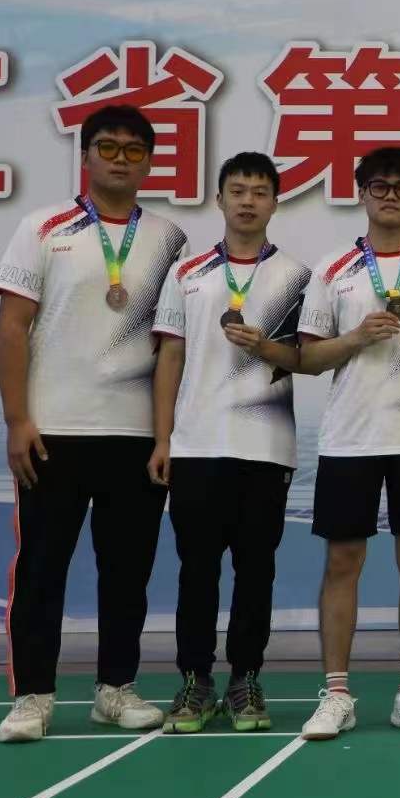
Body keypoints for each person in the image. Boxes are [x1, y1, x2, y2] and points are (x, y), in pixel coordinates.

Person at [0, 104, 188, 743]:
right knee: (42, 570)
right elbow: (12, 327)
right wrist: (17, 419)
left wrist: (166, 435)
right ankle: (32, 698)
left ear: (149, 162)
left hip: (135, 434)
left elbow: (173, 345)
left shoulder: (171, 240)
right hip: (53, 431)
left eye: (134, 150)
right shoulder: (42, 227)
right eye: (108, 147)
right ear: (86, 156)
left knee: (127, 572)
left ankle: (115, 688)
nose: (120, 159)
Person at [296, 148, 400, 740]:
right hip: (350, 436)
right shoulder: (332, 268)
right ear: (361, 193)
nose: (390, 196)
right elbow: (308, 358)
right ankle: (336, 694)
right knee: (343, 562)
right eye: (379, 186)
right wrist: (355, 338)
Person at [148, 153, 310, 733]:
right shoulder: (186, 273)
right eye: (237, 190)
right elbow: (170, 356)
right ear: (219, 199)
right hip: (195, 447)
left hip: (266, 447)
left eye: (259, 192)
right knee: (196, 571)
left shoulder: (297, 276)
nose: (248, 201)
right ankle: (195, 679)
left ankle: (246, 678)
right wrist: (162, 439)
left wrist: (267, 347)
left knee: (256, 571)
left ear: (275, 203)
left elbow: (305, 358)